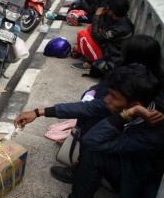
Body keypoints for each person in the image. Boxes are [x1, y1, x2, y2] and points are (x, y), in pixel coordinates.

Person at [15, 64, 164, 198]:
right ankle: (81, 173)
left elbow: (92, 141)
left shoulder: (153, 132)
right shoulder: (127, 102)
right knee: (89, 117)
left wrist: (125, 115)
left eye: (113, 96)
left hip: (132, 178)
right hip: (121, 154)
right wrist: (37, 112)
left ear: (136, 105)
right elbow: (85, 108)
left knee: (94, 151)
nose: (107, 99)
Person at [71, 0, 134, 70]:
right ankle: (83, 52)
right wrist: (102, 16)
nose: (106, 8)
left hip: (111, 57)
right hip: (109, 47)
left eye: (108, 7)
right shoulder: (117, 18)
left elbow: (96, 36)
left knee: (83, 35)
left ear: (112, 10)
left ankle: (93, 62)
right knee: (91, 28)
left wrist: (97, 15)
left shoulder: (122, 28)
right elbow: (102, 27)